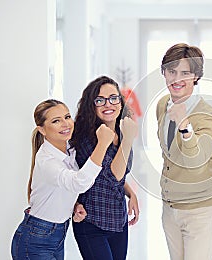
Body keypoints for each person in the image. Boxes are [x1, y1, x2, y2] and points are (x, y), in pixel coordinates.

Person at [11, 99, 114, 260]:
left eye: (67, 117)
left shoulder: (69, 149)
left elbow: (65, 184)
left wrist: (73, 204)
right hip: (35, 240)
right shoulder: (47, 160)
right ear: (42, 130)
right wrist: (102, 144)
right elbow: (79, 183)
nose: (66, 124)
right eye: (56, 121)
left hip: (57, 234)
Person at [156, 43, 212, 260]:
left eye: (185, 73)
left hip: (201, 209)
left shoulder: (207, 115)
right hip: (170, 206)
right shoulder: (162, 104)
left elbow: (197, 162)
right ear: (164, 73)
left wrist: (185, 126)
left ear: (196, 76)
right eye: (172, 71)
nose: (177, 79)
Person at [70, 76, 140, 260]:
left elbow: (119, 175)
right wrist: (128, 140)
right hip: (92, 222)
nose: (108, 104)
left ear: (120, 101)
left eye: (113, 98)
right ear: (91, 105)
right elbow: (112, 176)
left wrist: (131, 193)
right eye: (100, 100)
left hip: (118, 220)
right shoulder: (88, 136)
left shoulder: (121, 130)